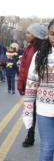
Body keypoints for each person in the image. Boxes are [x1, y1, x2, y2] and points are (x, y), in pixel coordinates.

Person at [23, 19, 54, 161]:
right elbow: (31, 85)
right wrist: (28, 112)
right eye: (53, 34)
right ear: (48, 34)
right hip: (45, 110)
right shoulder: (40, 55)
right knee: (47, 148)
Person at [18, 23, 47, 147]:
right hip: (29, 85)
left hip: (41, 87)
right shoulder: (28, 49)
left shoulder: (43, 50)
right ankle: (30, 136)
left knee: (43, 112)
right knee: (31, 111)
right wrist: (21, 83)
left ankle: (46, 137)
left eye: (29, 33)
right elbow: (23, 68)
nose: (26, 35)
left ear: (36, 35)